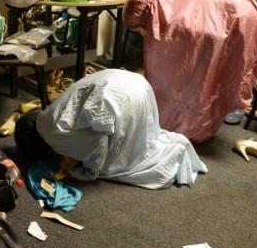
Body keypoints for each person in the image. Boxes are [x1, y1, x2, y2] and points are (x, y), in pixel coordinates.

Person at [122, 0, 257, 143]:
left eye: (139, 29)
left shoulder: (175, 22)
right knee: (208, 76)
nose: (141, 33)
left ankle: (195, 126)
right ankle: (200, 122)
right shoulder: (167, 4)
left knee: (205, 77)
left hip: (237, 19)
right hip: (236, 12)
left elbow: (181, 62)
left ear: (144, 18)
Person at [14, 69, 207, 189]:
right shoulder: (48, 114)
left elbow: (97, 144)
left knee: (113, 160)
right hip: (135, 83)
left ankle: (169, 152)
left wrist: (86, 172)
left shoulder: (54, 135)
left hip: (124, 99)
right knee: (136, 136)